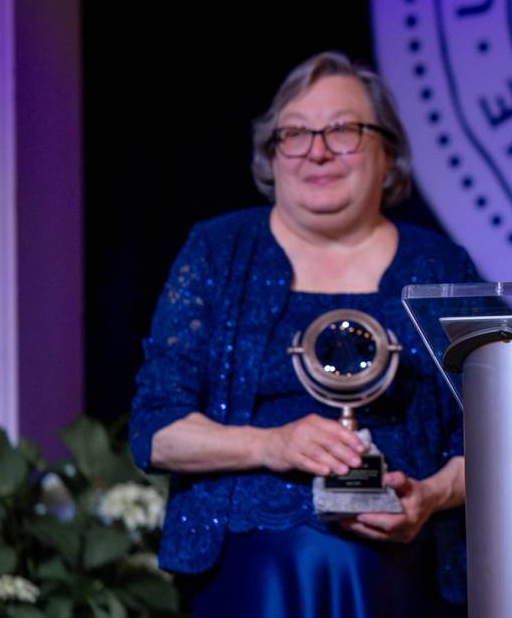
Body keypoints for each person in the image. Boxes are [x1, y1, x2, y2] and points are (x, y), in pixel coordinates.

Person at [129, 52, 475, 616]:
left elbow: (498, 432)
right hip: (247, 574)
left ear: (387, 153)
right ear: (271, 154)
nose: (316, 150)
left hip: (403, 573)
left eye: (342, 130)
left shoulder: (441, 267)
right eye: (294, 133)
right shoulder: (217, 252)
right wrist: (271, 444)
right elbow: (156, 430)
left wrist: (431, 497)